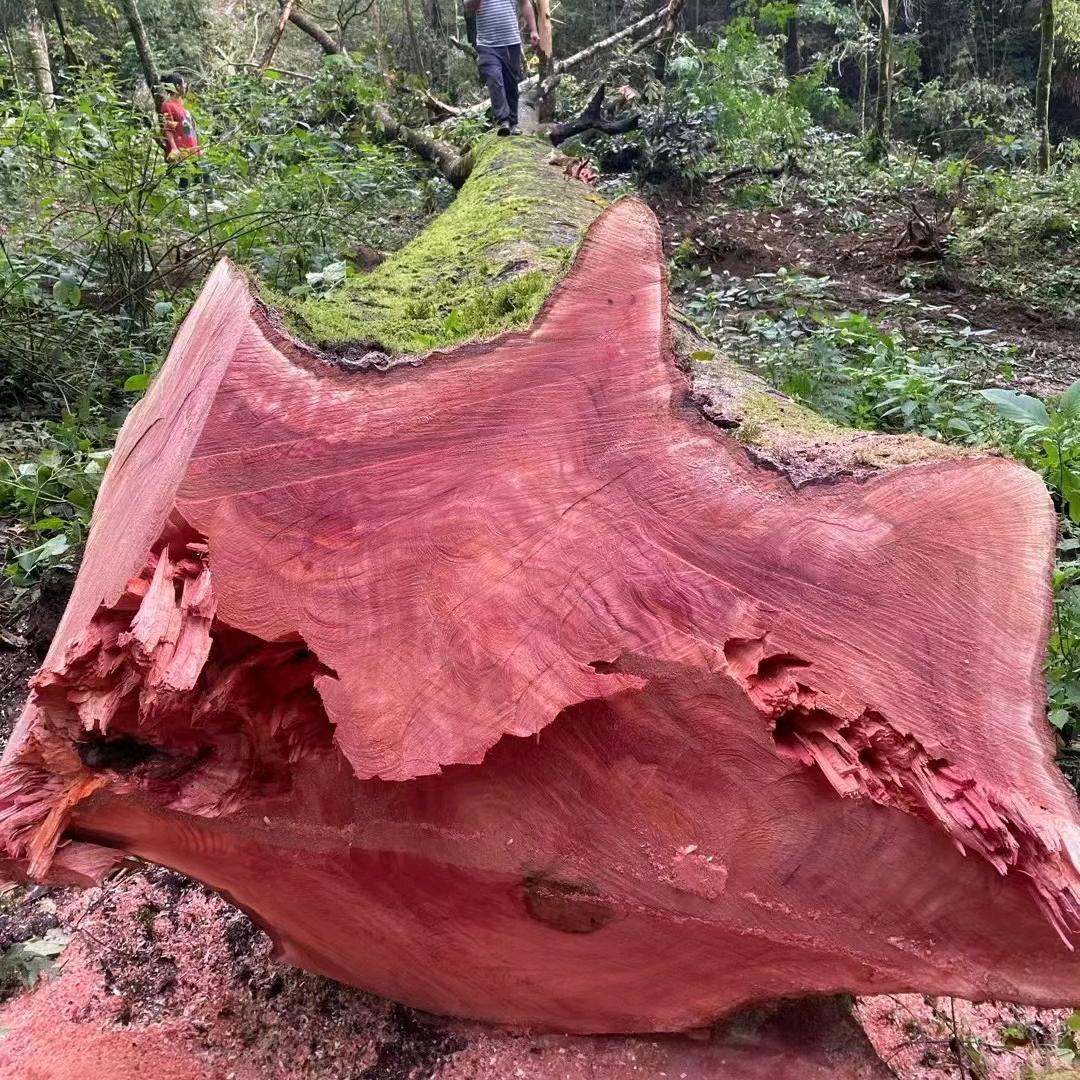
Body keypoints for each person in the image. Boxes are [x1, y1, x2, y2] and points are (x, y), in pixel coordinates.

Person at [463, 0, 540, 136]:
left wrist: (533, 30)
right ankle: (503, 121)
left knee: (511, 84)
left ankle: (513, 122)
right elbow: (468, 7)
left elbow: (524, 3)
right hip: (487, 45)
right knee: (494, 78)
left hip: (511, 43)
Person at [159, 72, 200, 166]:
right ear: (178, 86)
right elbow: (168, 129)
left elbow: (191, 129)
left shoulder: (181, 105)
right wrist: (174, 148)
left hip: (192, 150)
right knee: (184, 179)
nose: (185, 86)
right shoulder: (168, 105)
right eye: (183, 83)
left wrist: (197, 150)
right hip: (182, 152)